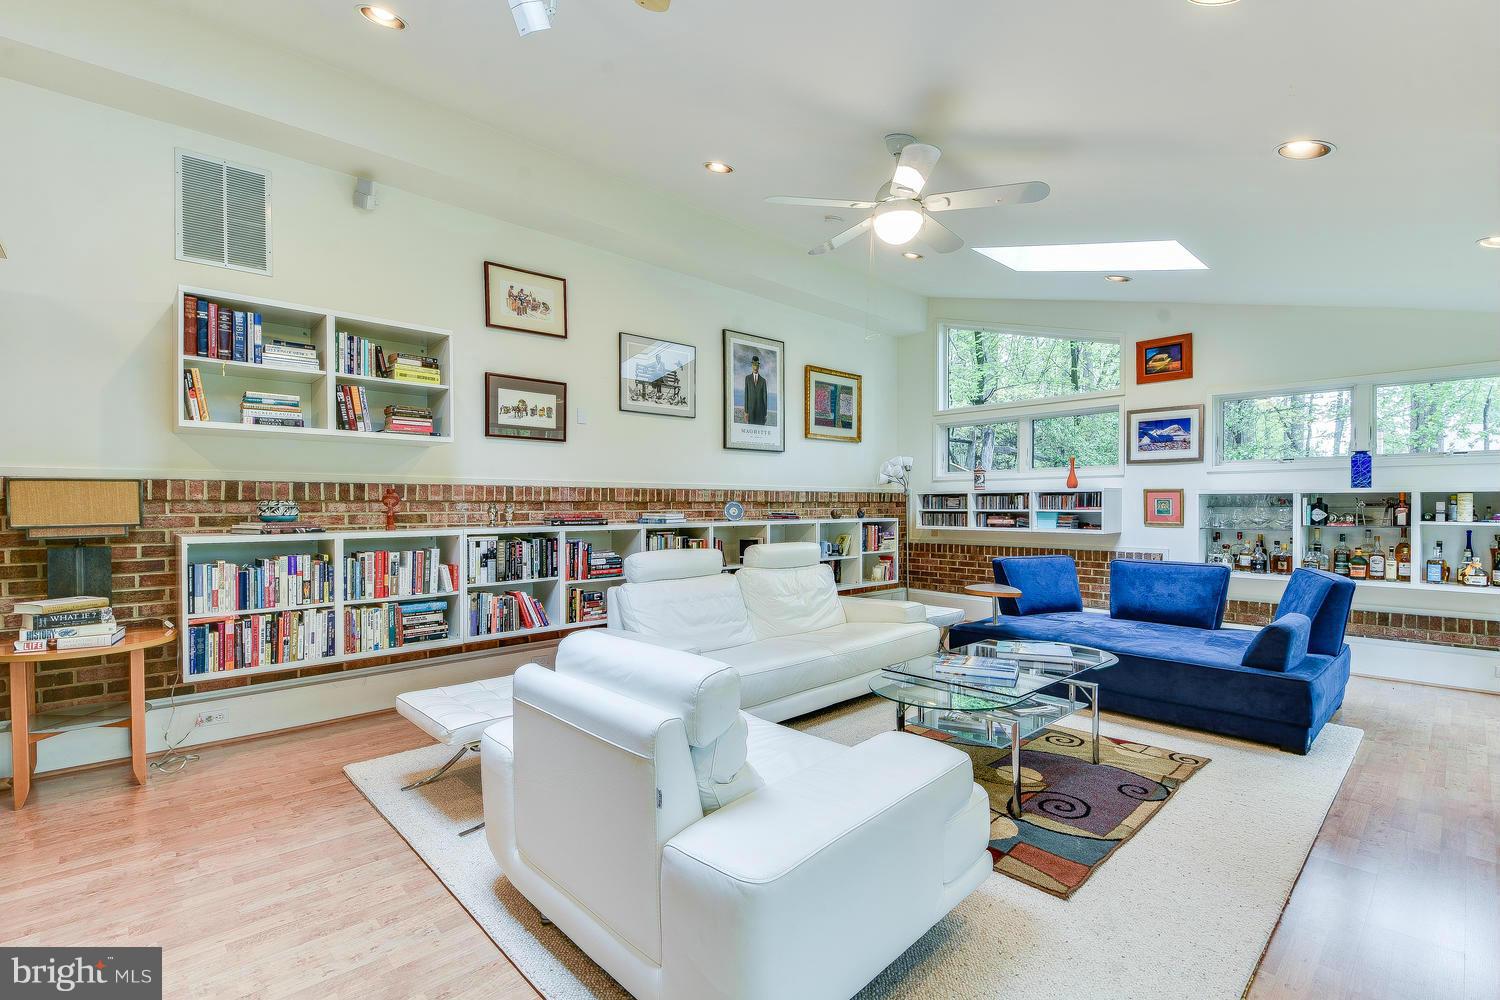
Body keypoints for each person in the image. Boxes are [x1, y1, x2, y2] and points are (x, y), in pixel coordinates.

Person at [743, 355, 768, 425]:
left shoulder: (763, 381)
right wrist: (746, 412)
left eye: (757, 365)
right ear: (752, 365)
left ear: (758, 366)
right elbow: (746, 395)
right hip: (750, 411)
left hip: (761, 412)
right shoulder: (747, 378)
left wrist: (765, 414)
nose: (755, 367)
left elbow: (765, 398)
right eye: (754, 365)